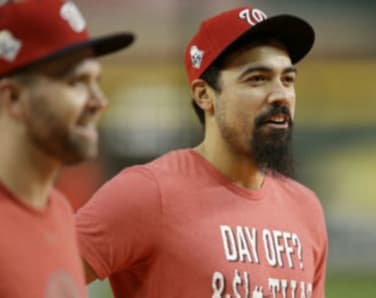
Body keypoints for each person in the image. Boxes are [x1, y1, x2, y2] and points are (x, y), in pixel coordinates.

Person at [76, 6, 327, 298]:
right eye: (257, 78)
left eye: (287, 79)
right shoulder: (149, 193)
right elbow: (34, 276)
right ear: (204, 95)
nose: (280, 94)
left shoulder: (305, 209)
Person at [0, 0, 134, 297]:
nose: (99, 101)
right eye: (77, 82)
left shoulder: (59, 212)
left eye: (96, 81)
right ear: (14, 98)